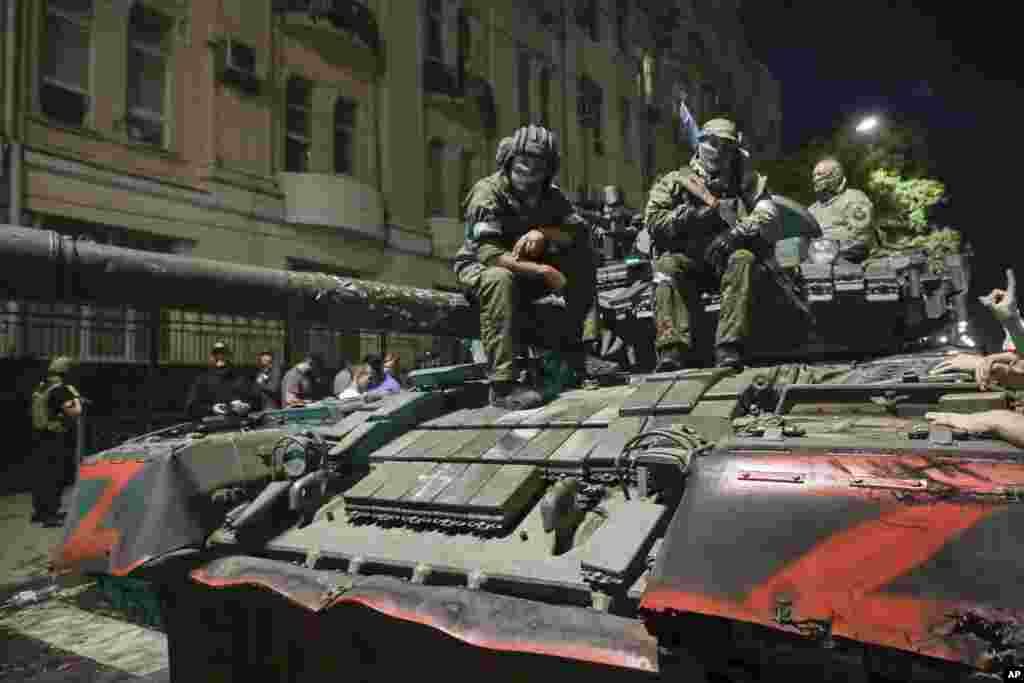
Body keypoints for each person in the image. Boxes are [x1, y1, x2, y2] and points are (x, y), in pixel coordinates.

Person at [453, 124, 615, 409]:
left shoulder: (550, 195)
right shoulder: (487, 192)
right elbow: (489, 253)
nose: (528, 168)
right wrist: (543, 271)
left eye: (538, 162)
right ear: (510, 158)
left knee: (582, 258)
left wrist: (545, 233)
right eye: (523, 159)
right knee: (499, 279)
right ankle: (502, 385)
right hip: (482, 268)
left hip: (526, 272)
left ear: (548, 168)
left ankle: (581, 352)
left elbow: (579, 233)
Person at [644, 117, 781, 371]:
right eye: (712, 144)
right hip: (690, 262)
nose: (718, 151)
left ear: (735, 150)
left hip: (728, 260)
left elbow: (768, 214)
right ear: (700, 144)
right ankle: (671, 349)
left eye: (726, 146)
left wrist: (735, 234)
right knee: (665, 266)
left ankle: (729, 347)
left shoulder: (747, 180)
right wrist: (687, 217)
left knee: (743, 258)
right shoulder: (676, 181)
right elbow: (652, 220)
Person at [30, 356, 82, 527]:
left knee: (40, 475)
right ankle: (51, 515)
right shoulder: (60, 389)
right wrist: (77, 402)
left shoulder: (41, 386)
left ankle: (39, 512)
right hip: (54, 437)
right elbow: (74, 411)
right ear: (66, 372)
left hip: (38, 435)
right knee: (54, 476)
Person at [807, 158, 877, 264]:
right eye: (814, 176)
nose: (815, 179)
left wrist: (832, 251)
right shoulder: (812, 210)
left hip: (851, 258)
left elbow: (861, 237)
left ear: (836, 176)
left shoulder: (854, 199)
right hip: (816, 260)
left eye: (820, 175)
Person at [185, 342, 255, 419]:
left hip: (237, 425)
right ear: (211, 357)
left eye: (223, 353)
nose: (220, 356)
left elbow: (255, 400)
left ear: (229, 356)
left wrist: (246, 406)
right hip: (211, 426)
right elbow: (191, 407)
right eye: (216, 354)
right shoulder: (202, 379)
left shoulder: (240, 377)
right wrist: (212, 409)